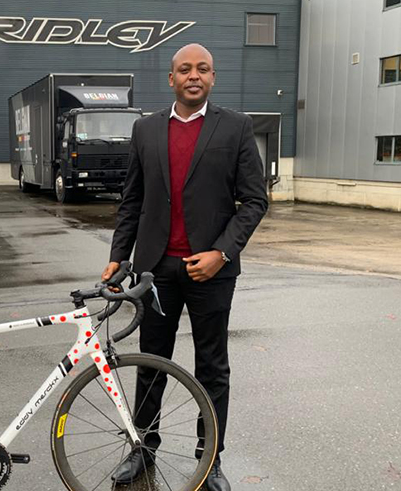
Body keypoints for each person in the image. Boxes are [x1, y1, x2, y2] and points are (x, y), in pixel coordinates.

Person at [102, 43, 268, 490]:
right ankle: (144, 447)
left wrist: (222, 253)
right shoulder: (146, 130)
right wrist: (119, 256)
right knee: (151, 362)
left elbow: (255, 200)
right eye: (184, 69)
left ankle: (209, 456)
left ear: (213, 78)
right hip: (155, 271)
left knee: (212, 366)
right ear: (171, 79)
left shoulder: (235, 128)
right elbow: (132, 200)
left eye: (203, 69)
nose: (194, 75)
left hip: (210, 272)